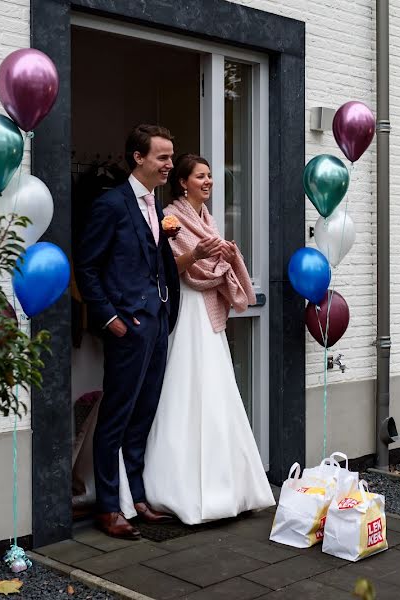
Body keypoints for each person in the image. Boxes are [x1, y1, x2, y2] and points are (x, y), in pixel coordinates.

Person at [118, 153, 274, 525]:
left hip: (208, 313)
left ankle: (229, 486)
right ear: (183, 182)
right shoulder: (169, 216)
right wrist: (197, 254)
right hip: (185, 308)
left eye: (210, 177)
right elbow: (165, 267)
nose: (208, 182)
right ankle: (171, 487)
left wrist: (220, 257)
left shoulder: (208, 219)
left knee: (216, 390)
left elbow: (211, 262)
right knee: (183, 388)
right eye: (200, 176)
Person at [75, 124, 181, 539]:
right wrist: (110, 319)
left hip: (156, 323)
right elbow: (87, 266)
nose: (170, 165)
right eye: (163, 157)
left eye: (171, 157)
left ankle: (135, 498)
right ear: (138, 157)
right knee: (117, 417)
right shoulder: (111, 204)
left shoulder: (155, 204)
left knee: (143, 414)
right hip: (128, 326)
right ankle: (107, 507)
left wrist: (166, 309)